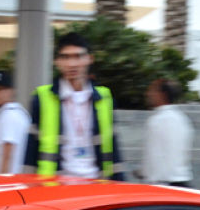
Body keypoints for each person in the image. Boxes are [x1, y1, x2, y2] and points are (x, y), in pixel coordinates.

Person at [23, 32, 124, 180]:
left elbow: (113, 148)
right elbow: (31, 150)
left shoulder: (104, 97)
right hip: (56, 187)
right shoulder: (42, 97)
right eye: (65, 57)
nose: (72, 64)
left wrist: (120, 187)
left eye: (78, 56)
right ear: (56, 61)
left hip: (98, 183)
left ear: (90, 59)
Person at [141, 78, 193, 187]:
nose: (148, 94)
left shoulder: (162, 120)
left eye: (152, 90)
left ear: (162, 94)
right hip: (176, 181)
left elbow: (157, 155)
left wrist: (149, 177)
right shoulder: (181, 118)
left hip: (166, 184)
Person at [0, 71, 30, 175]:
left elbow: (7, 155)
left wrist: (1, 182)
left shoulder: (9, 115)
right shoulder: (16, 113)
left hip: (1, 181)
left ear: (11, 91)